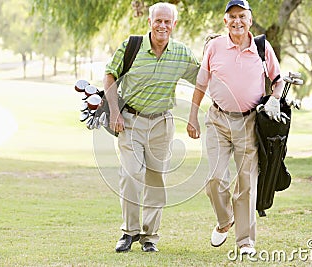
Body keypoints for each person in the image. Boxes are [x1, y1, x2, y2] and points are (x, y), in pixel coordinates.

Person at [187, 0, 284, 255]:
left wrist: (274, 99)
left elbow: (278, 80)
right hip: (218, 119)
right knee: (216, 179)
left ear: (250, 20)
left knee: (246, 184)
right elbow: (200, 84)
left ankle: (245, 242)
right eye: (232, 16)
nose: (237, 21)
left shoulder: (262, 47)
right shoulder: (214, 46)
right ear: (225, 21)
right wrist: (192, 116)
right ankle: (224, 221)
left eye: (242, 16)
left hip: (249, 122)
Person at [103, 2, 199, 253]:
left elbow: (203, 78)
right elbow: (110, 75)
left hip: (161, 124)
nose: (163, 26)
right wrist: (114, 112)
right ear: (149, 22)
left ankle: (150, 237)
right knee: (130, 174)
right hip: (131, 121)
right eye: (158, 21)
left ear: (174, 25)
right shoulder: (131, 46)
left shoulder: (181, 53)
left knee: (156, 179)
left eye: (168, 22)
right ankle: (129, 232)